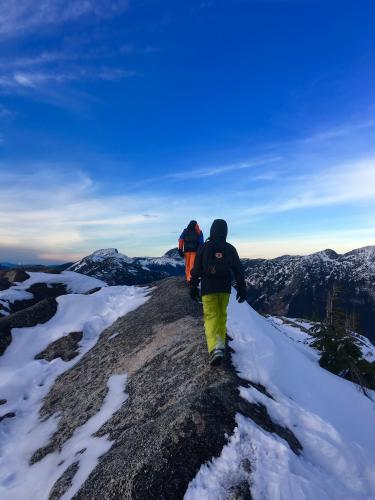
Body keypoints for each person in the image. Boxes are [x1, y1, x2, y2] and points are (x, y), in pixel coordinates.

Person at [189, 219, 247, 366]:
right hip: (225, 290)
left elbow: (196, 269)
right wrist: (241, 287)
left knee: (211, 317)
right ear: (225, 232)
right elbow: (238, 270)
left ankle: (215, 348)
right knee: (221, 316)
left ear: (212, 231)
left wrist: (193, 285)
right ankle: (220, 344)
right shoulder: (230, 248)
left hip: (209, 289)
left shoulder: (204, 247)